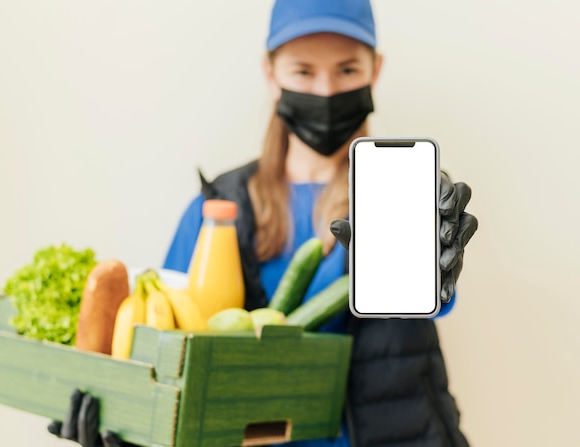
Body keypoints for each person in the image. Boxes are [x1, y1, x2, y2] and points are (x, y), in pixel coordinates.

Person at [48, 0, 478, 446]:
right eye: (304, 72)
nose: (327, 90)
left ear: (376, 69)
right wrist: (132, 422)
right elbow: (168, 340)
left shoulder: (405, 199)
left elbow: (429, 303)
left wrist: (433, 262)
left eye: (347, 70)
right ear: (271, 73)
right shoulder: (216, 209)